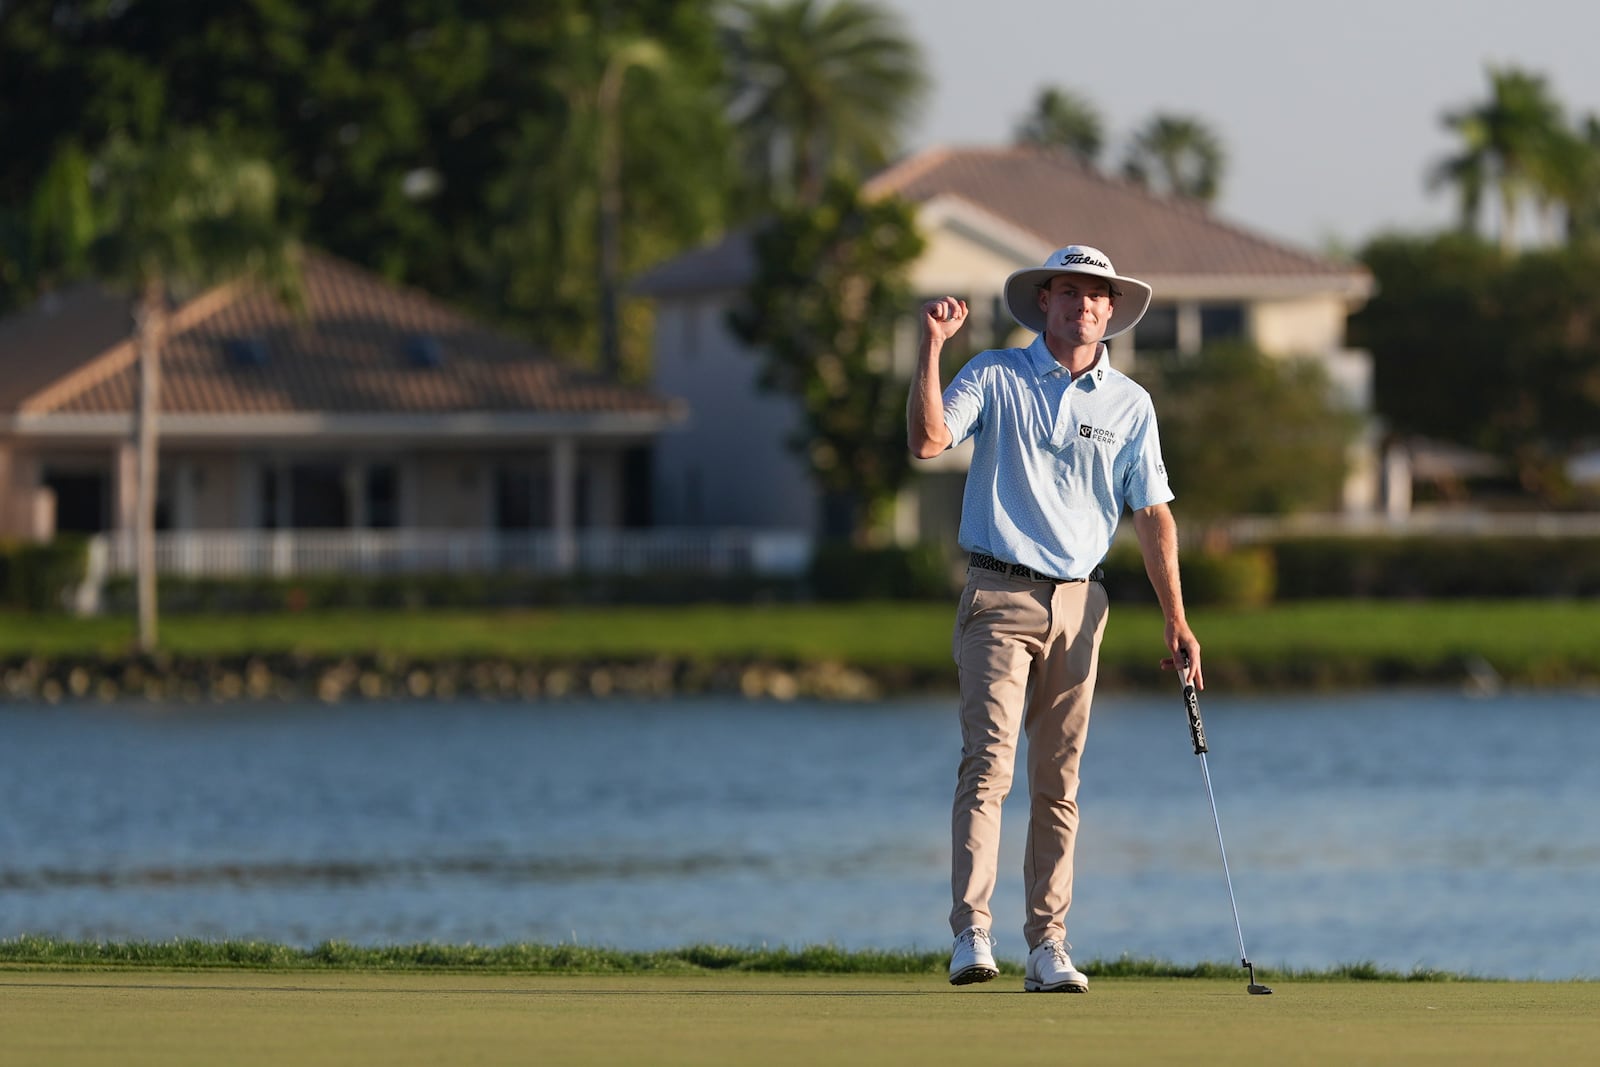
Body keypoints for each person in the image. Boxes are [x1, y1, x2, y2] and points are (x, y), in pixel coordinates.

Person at [907, 244, 1203, 993]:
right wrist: (933, 348)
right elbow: (928, 440)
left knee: (1059, 780)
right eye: (1067, 292)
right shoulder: (996, 375)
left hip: (1082, 602)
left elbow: (1153, 515)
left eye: (1095, 296)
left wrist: (1177, 617)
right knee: (989, 766)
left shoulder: (1131, 404)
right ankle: (972, 933)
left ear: (1112, 312)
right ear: (1045, 302)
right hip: (998, 593)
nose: (1082, 306)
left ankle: (1049, 946)